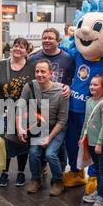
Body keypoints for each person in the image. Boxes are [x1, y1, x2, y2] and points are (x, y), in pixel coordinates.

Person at [17, 59, 69, 196]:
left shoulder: (62, 91)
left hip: (57, 129)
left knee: (50, 154)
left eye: (43, 71)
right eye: (37, 71)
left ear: (51, 73)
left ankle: (58, 181)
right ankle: (36, 179)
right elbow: (20, 107)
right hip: (39, 127)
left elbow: (62, 120)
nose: (39, 74)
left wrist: (49, 137)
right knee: (33, 152)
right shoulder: (29, 86)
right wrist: (19, 128)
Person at [0, 38, 35, 187]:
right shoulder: (1, 65)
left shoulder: (32, 66)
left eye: (22, 47)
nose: (18, 49)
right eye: (16, 46)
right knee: (5, 143)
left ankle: (21, 172)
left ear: (27, 51)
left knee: (22, 141)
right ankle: (5, 172)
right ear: (11, 48)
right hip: (3, 110)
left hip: (25, 111)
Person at [80, 75, 103, 206]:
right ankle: (98, 192)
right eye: (91, 84)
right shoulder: (89, 101)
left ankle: (102, 196)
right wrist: (82, 137)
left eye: (96, 85)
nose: (92, 87)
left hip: (99, 144)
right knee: (97, 169)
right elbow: (86, 121)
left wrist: (99, 142)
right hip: (90, 141)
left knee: (102, 171)